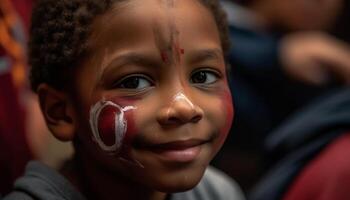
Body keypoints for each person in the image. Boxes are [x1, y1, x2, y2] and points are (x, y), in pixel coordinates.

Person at [3, 0, 245, 200]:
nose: (184, 106)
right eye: (134, 82)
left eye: (203, 76)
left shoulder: (219, 193)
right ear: (61, 112)